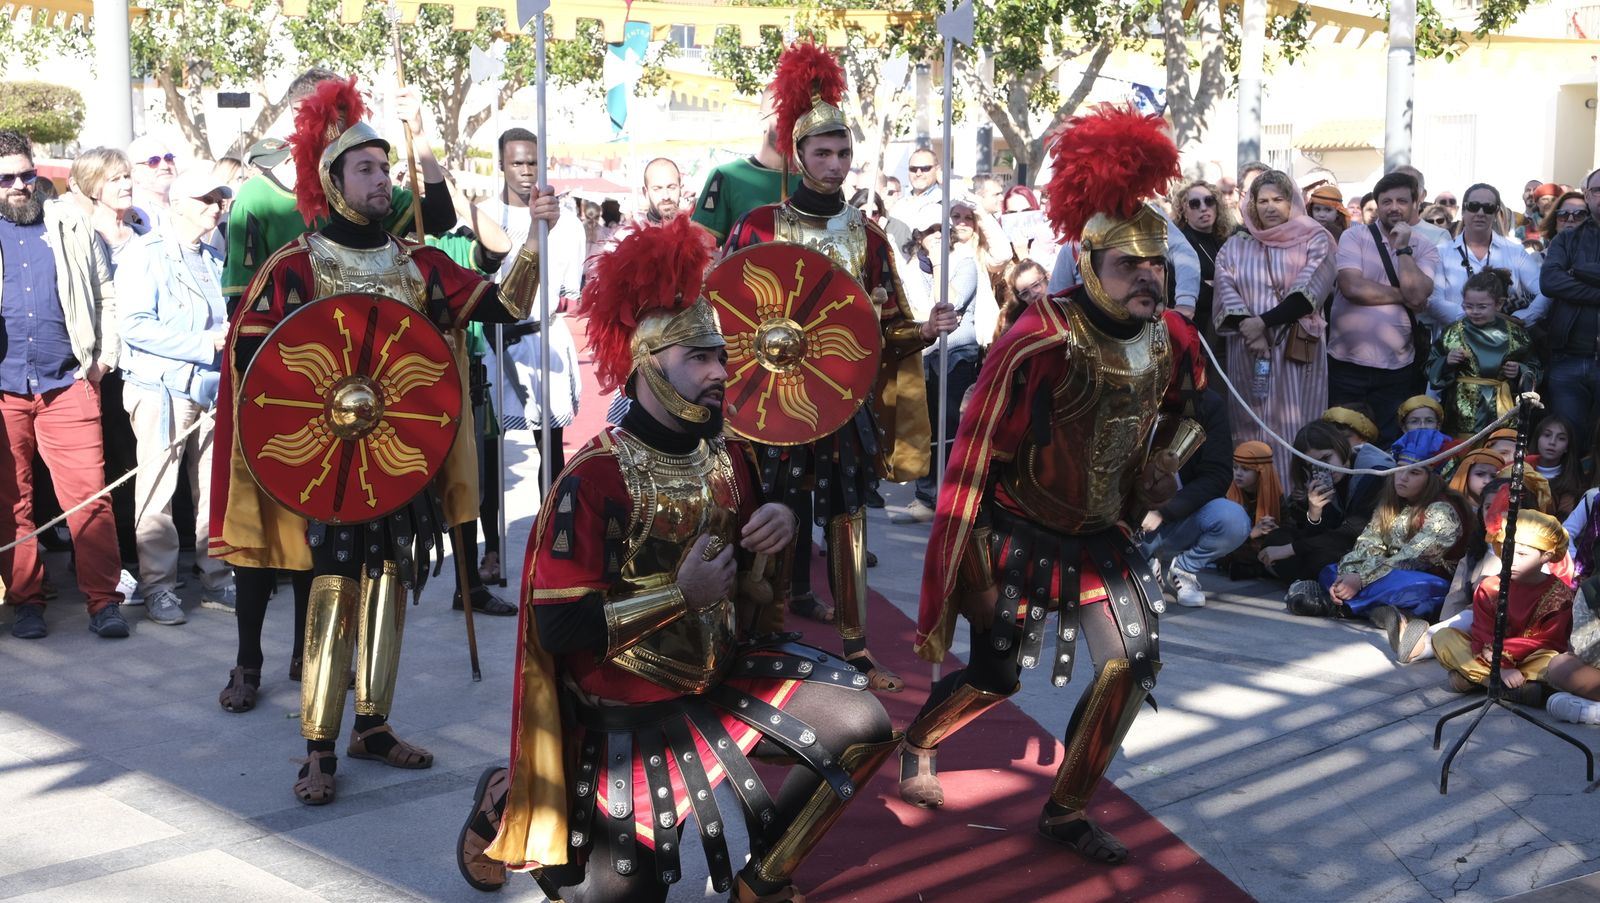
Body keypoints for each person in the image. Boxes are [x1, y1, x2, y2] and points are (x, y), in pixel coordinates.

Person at [457, 214, 897, 903]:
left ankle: (763, 881)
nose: (722, 371)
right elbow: (558, 629)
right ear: (646, 363)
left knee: (861, 722)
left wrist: (774, 531)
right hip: (623, 716)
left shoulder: (730, 453)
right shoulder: (592, 476)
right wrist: (677, 594)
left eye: (723, 355)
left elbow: (754, 591)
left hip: (717, 676)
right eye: (701, 357)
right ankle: (506, 793)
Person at [211, 76, 560, 801]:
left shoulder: (416, 261)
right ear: (332, 181)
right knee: (333, 591)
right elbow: (254, 361)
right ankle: (318, 748)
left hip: (398, 460)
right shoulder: (298, 266)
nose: (381, 180)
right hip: (326, 464)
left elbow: (505, 303)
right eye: (365, 169)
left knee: (387, 590)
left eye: (384, 168)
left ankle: (372, 724)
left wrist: (535, 234)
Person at [901, 105, 1200, 865]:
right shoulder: (1041, 339)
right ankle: (919, 739)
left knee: (1133, 661)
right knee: (996, 677)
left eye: (1156, 264)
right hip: (1018, 531)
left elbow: (1188, 413)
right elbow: (976, 454)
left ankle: (1066, 806)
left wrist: (1165, 466)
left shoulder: (1174, 338)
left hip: (1102, 533)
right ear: (1091, 263)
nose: (1148, 277)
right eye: (1130, 265)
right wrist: (957, 560)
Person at [724, 44, 957, 692]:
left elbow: (885, 335)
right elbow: (720, 317)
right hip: (769, 409)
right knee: (767, 522)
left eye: (843, 152)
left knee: (850, 522)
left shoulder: (870, 237)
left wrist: (925, 330)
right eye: (821, 152)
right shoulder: (757, 226)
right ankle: (759, 642)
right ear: (798, 155)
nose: (833, 164)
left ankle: (857, 649)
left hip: (843, 407)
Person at [0, 129, 127, 640]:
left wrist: (102, 359)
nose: (19, 185)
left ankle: (104, 601)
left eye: (27, 174)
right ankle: (27, 600)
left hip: (67, 384)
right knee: (12, 503)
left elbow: (105, 294)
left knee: (90, 498)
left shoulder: (69, 220)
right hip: (5, 390)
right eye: (6, 178)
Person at [114, 168, 236, 627]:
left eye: (220, 198)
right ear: (178, 204)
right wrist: (206, 343)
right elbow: (136, 326)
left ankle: (217, 577)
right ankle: (158, 588)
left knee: (214, 488)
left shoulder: (213, 252)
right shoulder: (145, 254)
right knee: (158, 491)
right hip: (161, 388)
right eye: (206, 199)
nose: (215, 206)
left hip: (211, 388)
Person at [1213, 168, 1338, 479]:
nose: (1270, 207)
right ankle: (1253, 497)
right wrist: (1250, 329)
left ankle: (1295, 494)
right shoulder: (1237, 244)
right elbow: (1224, 284)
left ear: (1292, 202)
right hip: (1249, 350)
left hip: (1295, 349)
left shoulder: (1315, 238)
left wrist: (1262, 323)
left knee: (1296, 421)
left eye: (1278, 200)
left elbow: (1312, 290)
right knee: (1248, 419)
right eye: (1263, 200)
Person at [1287, 431, 1467, 620]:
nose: (1401, 478)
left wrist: (1361, 579)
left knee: (1416, 587)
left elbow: (1412, 558)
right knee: (1331, 569)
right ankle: (1369, 608)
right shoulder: (1391, 502)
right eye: (1398, 469)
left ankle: (1338, 606)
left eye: (1414, 472)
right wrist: (1349, 574)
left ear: (1434, 478)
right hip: (1381, 573)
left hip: (1417, 576)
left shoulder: (1443, 509)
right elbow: (1369, 541)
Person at [895, 199, 993, 524]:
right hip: (924, 355)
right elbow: (914, 311)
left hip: (957, 356)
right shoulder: (910, 267)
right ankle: (925, 497)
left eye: (942, 230)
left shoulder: (964, 262)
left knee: (951, 429)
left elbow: (946, 305)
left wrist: (939, 265)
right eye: (931, 231)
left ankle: (952, 500)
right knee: (926, 427)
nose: (937, 236)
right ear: (919, 235)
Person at [1326, 171, 1440, 441]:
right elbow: (1352, 288)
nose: (1394, 207)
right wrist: (1407, 296)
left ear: (1415, 204)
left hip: (1396, 366)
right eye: (1386, 201)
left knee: (1389, 441)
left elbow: (1420, 291)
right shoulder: (1354, 238)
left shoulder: (1425, 247)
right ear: (1378, 205)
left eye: (1402, 201)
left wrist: (1403, 249)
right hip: (1346, 361)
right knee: (1341, 439)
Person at [1435, 510, 1572, 705]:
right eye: (1507, 550)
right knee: (1445, 637)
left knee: (1552, 662)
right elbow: (1482, 632)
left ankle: (1472, 679)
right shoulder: (1490, 586)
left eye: (1522, 554)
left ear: (1546, 556)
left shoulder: (1560, 595)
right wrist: (1502, 665)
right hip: (1489, 654)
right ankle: (1495, 683)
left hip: (1530, 657)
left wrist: (1503, 656)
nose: (1512, 560)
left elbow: (1549, 640)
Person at [1141, 384, 1239, 608]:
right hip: (1134, 516)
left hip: (1183, 514)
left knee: (1233, 519)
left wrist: (1164, 511)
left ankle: (1185, 568)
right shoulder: (1131, 393)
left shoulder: (1208, 404)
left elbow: (1217, 475)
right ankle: (1144, 564)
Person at [1257, 420, 1390, 583]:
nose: (1323, 467)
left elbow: (1352, 533)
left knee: (1319, 559)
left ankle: (1284, 572)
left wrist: (1290, 550)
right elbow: (1319, 532)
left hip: (1371, 547)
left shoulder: (1373, 470)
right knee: (1277, 537)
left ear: (1340, 445)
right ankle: (1298, 575)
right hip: (1338, 542)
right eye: (1313, 464)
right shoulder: (1323, 477)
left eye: (1326, 458)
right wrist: (1314, 513)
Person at [1426, 268, 1539, 440]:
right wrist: (1446, 361)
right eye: (1468, 306)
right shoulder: (1453, 333)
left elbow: (1535, 368)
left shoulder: (1516, 335)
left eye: (1482, 306)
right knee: (1462, 456)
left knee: (1499, 452)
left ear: (1499, 304)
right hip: (1462, 408)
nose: (1475, 311)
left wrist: (1519, 371)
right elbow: (1429, 367)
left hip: (1502, 408)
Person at [690, 86, 802, 245]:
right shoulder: (726, 176)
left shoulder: (815, 181)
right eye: (783, 114)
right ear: (762, 121)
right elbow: (700, 251)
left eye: (798, 115)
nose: (791, 123)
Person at [1424, 183, 1545, 331]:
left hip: (1503, 345)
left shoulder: (1515, 251)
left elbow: (1544, 290)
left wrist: (1522, 318)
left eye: (1488, 208)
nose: (1480, 213)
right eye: (1474, 206)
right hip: (1455, 347)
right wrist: (1479, 317)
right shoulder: (1440, 253)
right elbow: (1434, 301)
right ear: (1463, 211)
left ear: (1495, 214)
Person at [1538, 167, 1600, 450]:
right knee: (1569, 446)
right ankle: (1570, 496)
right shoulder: (1566, 239)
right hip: (1569, 359)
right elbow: (1550, 281)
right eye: (1598, 190)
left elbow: (1563, 280)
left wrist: (1578, 272)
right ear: (1587, 195)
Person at [1172, 178, 1233, 352]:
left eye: (1209, 201)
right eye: (1194, 204)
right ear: (1183, 211)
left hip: (1226, 332)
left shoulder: (1225, 238)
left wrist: (1214, 284)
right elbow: (1194, 292)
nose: (1203, 208)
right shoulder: (1182, 242)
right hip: (1198, 333)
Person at [1534, 414, 1583, 519]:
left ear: (1567, 447)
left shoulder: (1570, 481)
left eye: (1561, 438)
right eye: (1547, 435)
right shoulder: (1521, 470)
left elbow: (1563, 520)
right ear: (1537, 439)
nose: (1552, 442)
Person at [127, 134, 176, 233]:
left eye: (168, 158)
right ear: (134, 173)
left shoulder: (190, 204)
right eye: (153, 161)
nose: (165, 166)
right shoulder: (132, 217)